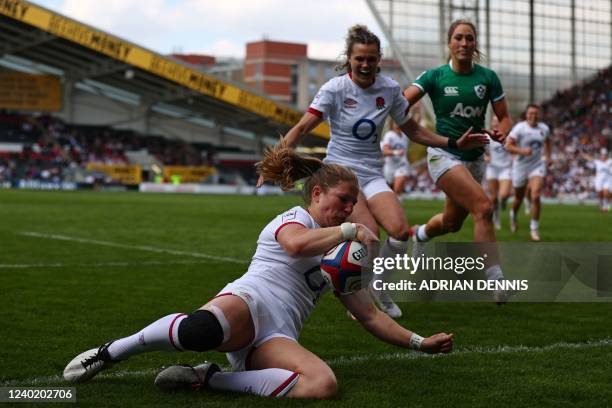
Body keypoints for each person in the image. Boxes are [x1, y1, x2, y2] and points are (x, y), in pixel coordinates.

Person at [63, 143, 454, 399]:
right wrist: (352, 230)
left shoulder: (341, 250)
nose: (349, 208)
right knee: (201, 331)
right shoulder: (296, 217)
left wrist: (419, 342)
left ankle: (209, 379)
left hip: (278, 333)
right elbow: (296, 245)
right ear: (317, 194)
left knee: (323, 385)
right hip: (249, 302)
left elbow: (368, 315)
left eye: (353, 204)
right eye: (343, 200)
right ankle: (112, 351)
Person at [257, 24, 489, 318]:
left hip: (372, 172)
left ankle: (378, 285)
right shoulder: (335, 88)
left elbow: (414, 130)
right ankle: (361, 298)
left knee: (401, 233)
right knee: (370, 236)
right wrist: (273, 162)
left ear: (379, 59)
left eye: (371, 59)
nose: (365, 65)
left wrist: (453, 141)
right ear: (349, 59)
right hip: (340, 172)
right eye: (359, 59)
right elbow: (302, 127)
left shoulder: (390, 89)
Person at [402, 19, 511, 290]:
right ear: (449, 43)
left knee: (452, 224)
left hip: (475, 159)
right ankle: (496, 281)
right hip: (444, 155)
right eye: (459, 38)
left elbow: (505, 116)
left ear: (475, 44)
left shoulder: (488, 77)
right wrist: (417, 130)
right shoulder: (435, 76)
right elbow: (401, 103)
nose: (464, 43)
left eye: (469, 38)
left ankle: (422, 233)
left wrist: (503, 131)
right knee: (484, 208)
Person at [505, 104, 551, 241]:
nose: (533, 116)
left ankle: (534, 230)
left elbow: (548, 142)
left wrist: (548, 157)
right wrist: (522, 151)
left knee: (535, 195)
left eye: (536, 113)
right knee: (519, 198)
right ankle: (513, 214)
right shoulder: (520, 128)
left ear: (539, 115)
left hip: (537, 165)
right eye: (531, 113)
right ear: (526, 114)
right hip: (520, 166)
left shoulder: (544, 128)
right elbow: (508, 146)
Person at [484, 116, 513, 230]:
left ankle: (504, 200)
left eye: (498, 122)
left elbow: (514, 148)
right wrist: (486, 156)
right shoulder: (487, 137)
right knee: (494, 198)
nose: (496, 124)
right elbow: (480, 150)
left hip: (505, 168)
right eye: (494, 122)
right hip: (492, 168)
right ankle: (496, 219)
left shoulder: (509, 137)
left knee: (504, 194)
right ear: (491, 123)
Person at [381, 120, 411, 195]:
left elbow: (415, 125)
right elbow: (385, 151)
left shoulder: (405, 135)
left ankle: (397, 203)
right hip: (390, 166)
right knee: (389, 191)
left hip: (402, 165)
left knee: (397, 189)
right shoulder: (389, 135)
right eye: (396, 122)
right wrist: (396, 152)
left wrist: (417, 111)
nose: (398, 125)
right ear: (392, 124)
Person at [592, 148, 611, 212]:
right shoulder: (597, 162)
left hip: (607, 180)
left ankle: (605, 207)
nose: (603, 156)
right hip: (598, 180)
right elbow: (589, 158)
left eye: (604, 155)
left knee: (606, 193)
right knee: (600, 193)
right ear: (600, 155)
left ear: (606, 156)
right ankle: (601, 204)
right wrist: (582, 154)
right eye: (602, 155)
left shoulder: (609, 161)